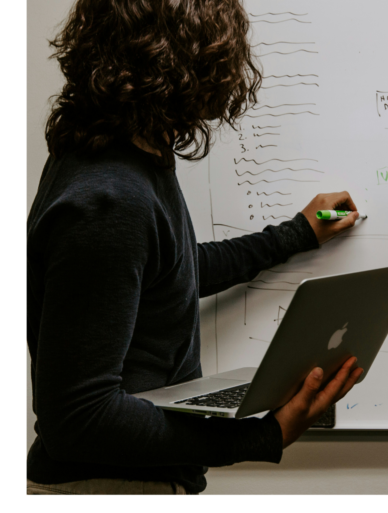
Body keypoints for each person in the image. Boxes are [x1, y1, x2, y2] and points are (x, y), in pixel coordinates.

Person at [27, 0, 363, 495]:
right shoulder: (109, 198)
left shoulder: (128, 159)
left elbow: (171, 271)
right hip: (109, 487)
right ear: (186, 66)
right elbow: (80, 419)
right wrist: (262, 436)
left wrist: (298, 233)